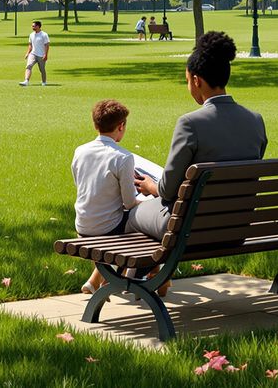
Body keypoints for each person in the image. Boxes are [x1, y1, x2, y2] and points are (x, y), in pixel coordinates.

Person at [128, 30, 267, 246]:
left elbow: (167, 191)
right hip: (237, 224)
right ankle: (157, 280)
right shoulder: (256, 120)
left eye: (187, 81)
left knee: (132, 215)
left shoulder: (190, 124)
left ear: (196, 80)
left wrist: (150, 186)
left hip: (189, 225)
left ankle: (143, 278)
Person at [71, 99, 140, 294]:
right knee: (144, 220)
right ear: (121, 126)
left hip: (82, 225)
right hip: (107, 229)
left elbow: (81, 184)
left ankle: (97, 280)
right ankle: (127, 277)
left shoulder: (80, 151)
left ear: (95, 125)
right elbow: (129, 202)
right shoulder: (123, 157)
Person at [19, 20, 49, 86]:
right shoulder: (31, 35)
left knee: (42, 69)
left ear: (38, 26)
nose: (32, 27)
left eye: (34, 26)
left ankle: (44, 82)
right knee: (28, 66)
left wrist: (46, 55)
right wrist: (27, 53)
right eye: (32, 26)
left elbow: (47, 45)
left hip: (41, 55)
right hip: (33, 54)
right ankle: (26, 81)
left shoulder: (44, 35)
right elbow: (30, 45)